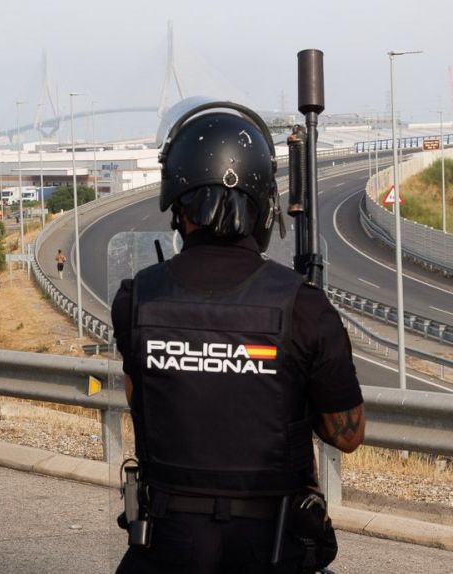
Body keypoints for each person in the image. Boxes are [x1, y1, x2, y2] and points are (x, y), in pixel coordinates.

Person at [111, 102, 365, 574]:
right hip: (271, 545)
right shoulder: (304, 306)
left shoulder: (135, 300)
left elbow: (139, 398)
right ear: (263, 202)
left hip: (165, 543)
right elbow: (346, 435)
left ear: (177, 200)